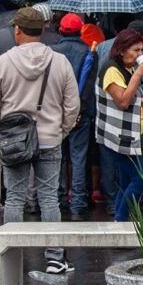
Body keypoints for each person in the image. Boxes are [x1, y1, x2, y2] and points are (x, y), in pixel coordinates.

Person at [0, 7, 80, 276]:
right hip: (50, 138)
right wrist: (61, 130)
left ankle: (12, 255)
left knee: (14, 198)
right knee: (50, 199)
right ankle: (54, 258)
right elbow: (72, 105)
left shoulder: (1, 63)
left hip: (13, 141)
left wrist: (1, 131)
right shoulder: (59, 62)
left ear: (17, 30)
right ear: (43, 30)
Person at [95, 29, 143, 221]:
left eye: (142, 50)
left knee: (127, 180)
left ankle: (118, 222)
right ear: (121, 50)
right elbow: (122, 101)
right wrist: (138, 75)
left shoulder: (125, 68)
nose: (140, 54)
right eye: (135, 50)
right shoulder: (112, 70)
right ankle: (121, 219)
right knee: (140, 180)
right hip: (120, 136)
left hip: (129, 134)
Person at [52, 14, 97, 215]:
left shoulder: (51, 53)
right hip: (81, 113)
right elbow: (88, 86)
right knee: (78, 158)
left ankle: (59, 199)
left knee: (58, 157)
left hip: (55, 113)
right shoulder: (88, 52)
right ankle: (78, 202)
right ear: (81, 31)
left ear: (60, 30)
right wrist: (79, 111)